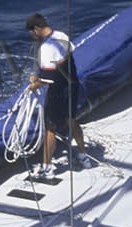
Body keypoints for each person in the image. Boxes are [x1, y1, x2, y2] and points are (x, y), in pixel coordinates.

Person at [27, 12, 85, 176]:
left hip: (58, 92)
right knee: (72, 120)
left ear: (36, 29)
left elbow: (50, 79)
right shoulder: (62, 35)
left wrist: (35, 85)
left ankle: (47, 168)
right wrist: (39, 74)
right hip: (72, 87)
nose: (32, 36)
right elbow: (64, 61)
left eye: (31, 32)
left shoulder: (46, 48)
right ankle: (83, 156)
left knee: (51, 128)